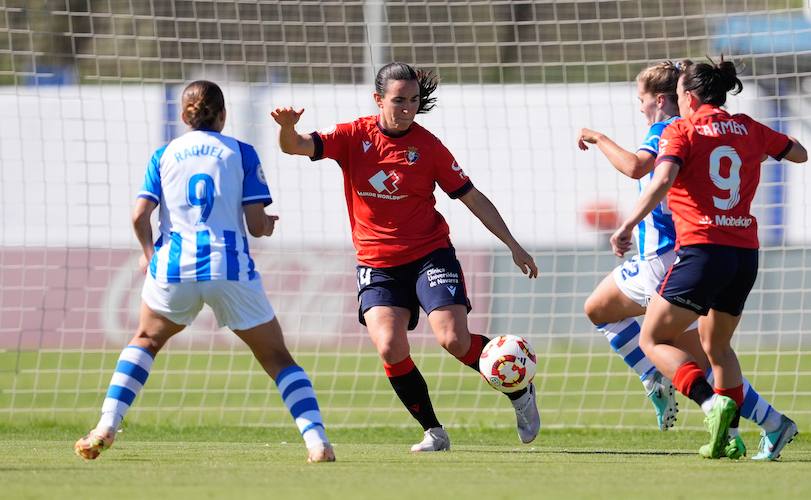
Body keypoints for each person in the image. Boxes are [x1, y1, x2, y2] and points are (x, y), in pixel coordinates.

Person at [271, 62, 540, 451]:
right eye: (399, 101)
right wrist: (286, 128)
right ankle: (433, 430)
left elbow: (472, 197)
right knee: (389, 347)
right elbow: (295, 146)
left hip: (429, 255)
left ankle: (519, 390)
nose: (408, 108)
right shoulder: (351, 136)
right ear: (378, 99)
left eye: (414, 100)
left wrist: (513, 245)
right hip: (377, 264)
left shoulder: (428, 147)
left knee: (452, 339)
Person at [74, 81, 335, 463]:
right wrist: (267, 225)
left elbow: (139, 215)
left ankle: (106, 426)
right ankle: (316, 443)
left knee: (145, 340)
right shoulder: (241, 153)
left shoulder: (163, 155)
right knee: (278, 358)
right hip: (227, 267)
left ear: (184, 116)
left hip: (174, 267)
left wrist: (150, 254)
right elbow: (256, 223)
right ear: (224, 116)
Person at [578, 61, 792, 459]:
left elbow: (639, 168)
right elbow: (786, 152)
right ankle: (769, 423)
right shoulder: (729, 130)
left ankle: (671, 385)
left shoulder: (669, 129)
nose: (639, 107)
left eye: (641, 99)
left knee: (635, 330)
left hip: (668, 256)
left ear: (665, 100)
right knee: (708, 351)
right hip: (717, 252)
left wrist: (597, 137)